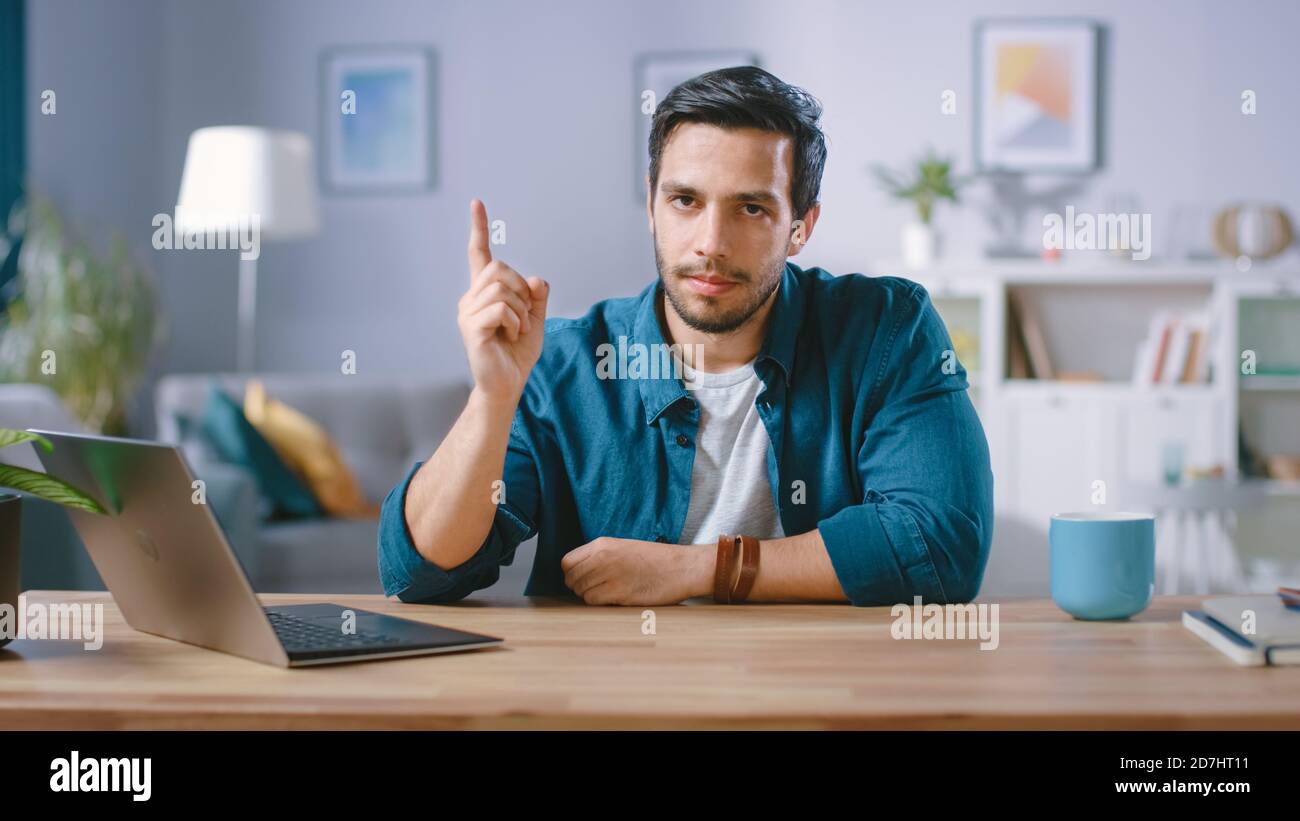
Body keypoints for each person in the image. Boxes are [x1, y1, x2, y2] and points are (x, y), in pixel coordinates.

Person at [378, 66, 993, 606]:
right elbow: (421, 574)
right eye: (685, 201)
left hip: (826, 693)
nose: (710, 243)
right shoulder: (565, 363)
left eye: (751, 208)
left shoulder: (887, 329)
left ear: (801, 227)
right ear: (651, 205)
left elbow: (938, 544)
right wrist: (491, 397)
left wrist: (703, 569)